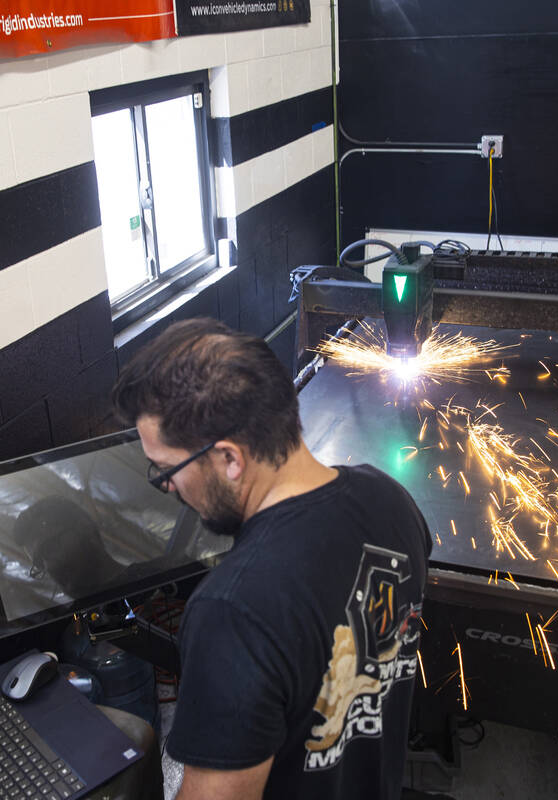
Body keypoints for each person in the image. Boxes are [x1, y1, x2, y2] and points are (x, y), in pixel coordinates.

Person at [112, 318, 432, 800]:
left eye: (166, 470)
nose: (168, 488)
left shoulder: (232, 611)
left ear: (230, 459)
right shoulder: (392, 500)